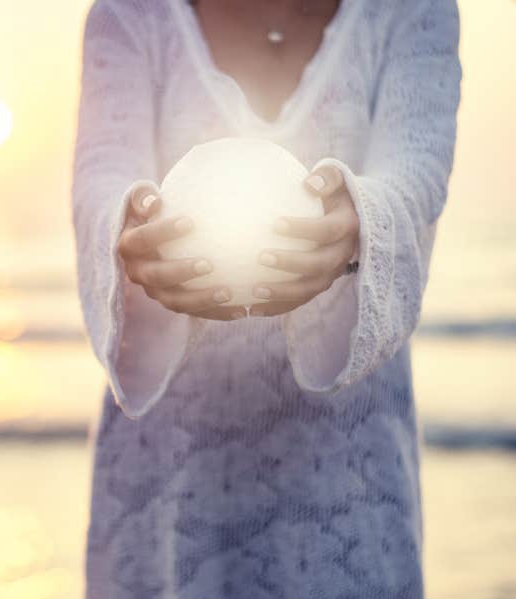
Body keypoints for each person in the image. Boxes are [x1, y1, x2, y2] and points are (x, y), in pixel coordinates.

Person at [70, 0, 461, 596]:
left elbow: (418, 172)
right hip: (175, 454)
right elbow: (101, 175)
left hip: (345, 459)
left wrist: (357, 222)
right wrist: (131, 233)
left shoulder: (411, 8)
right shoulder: (131, 14)